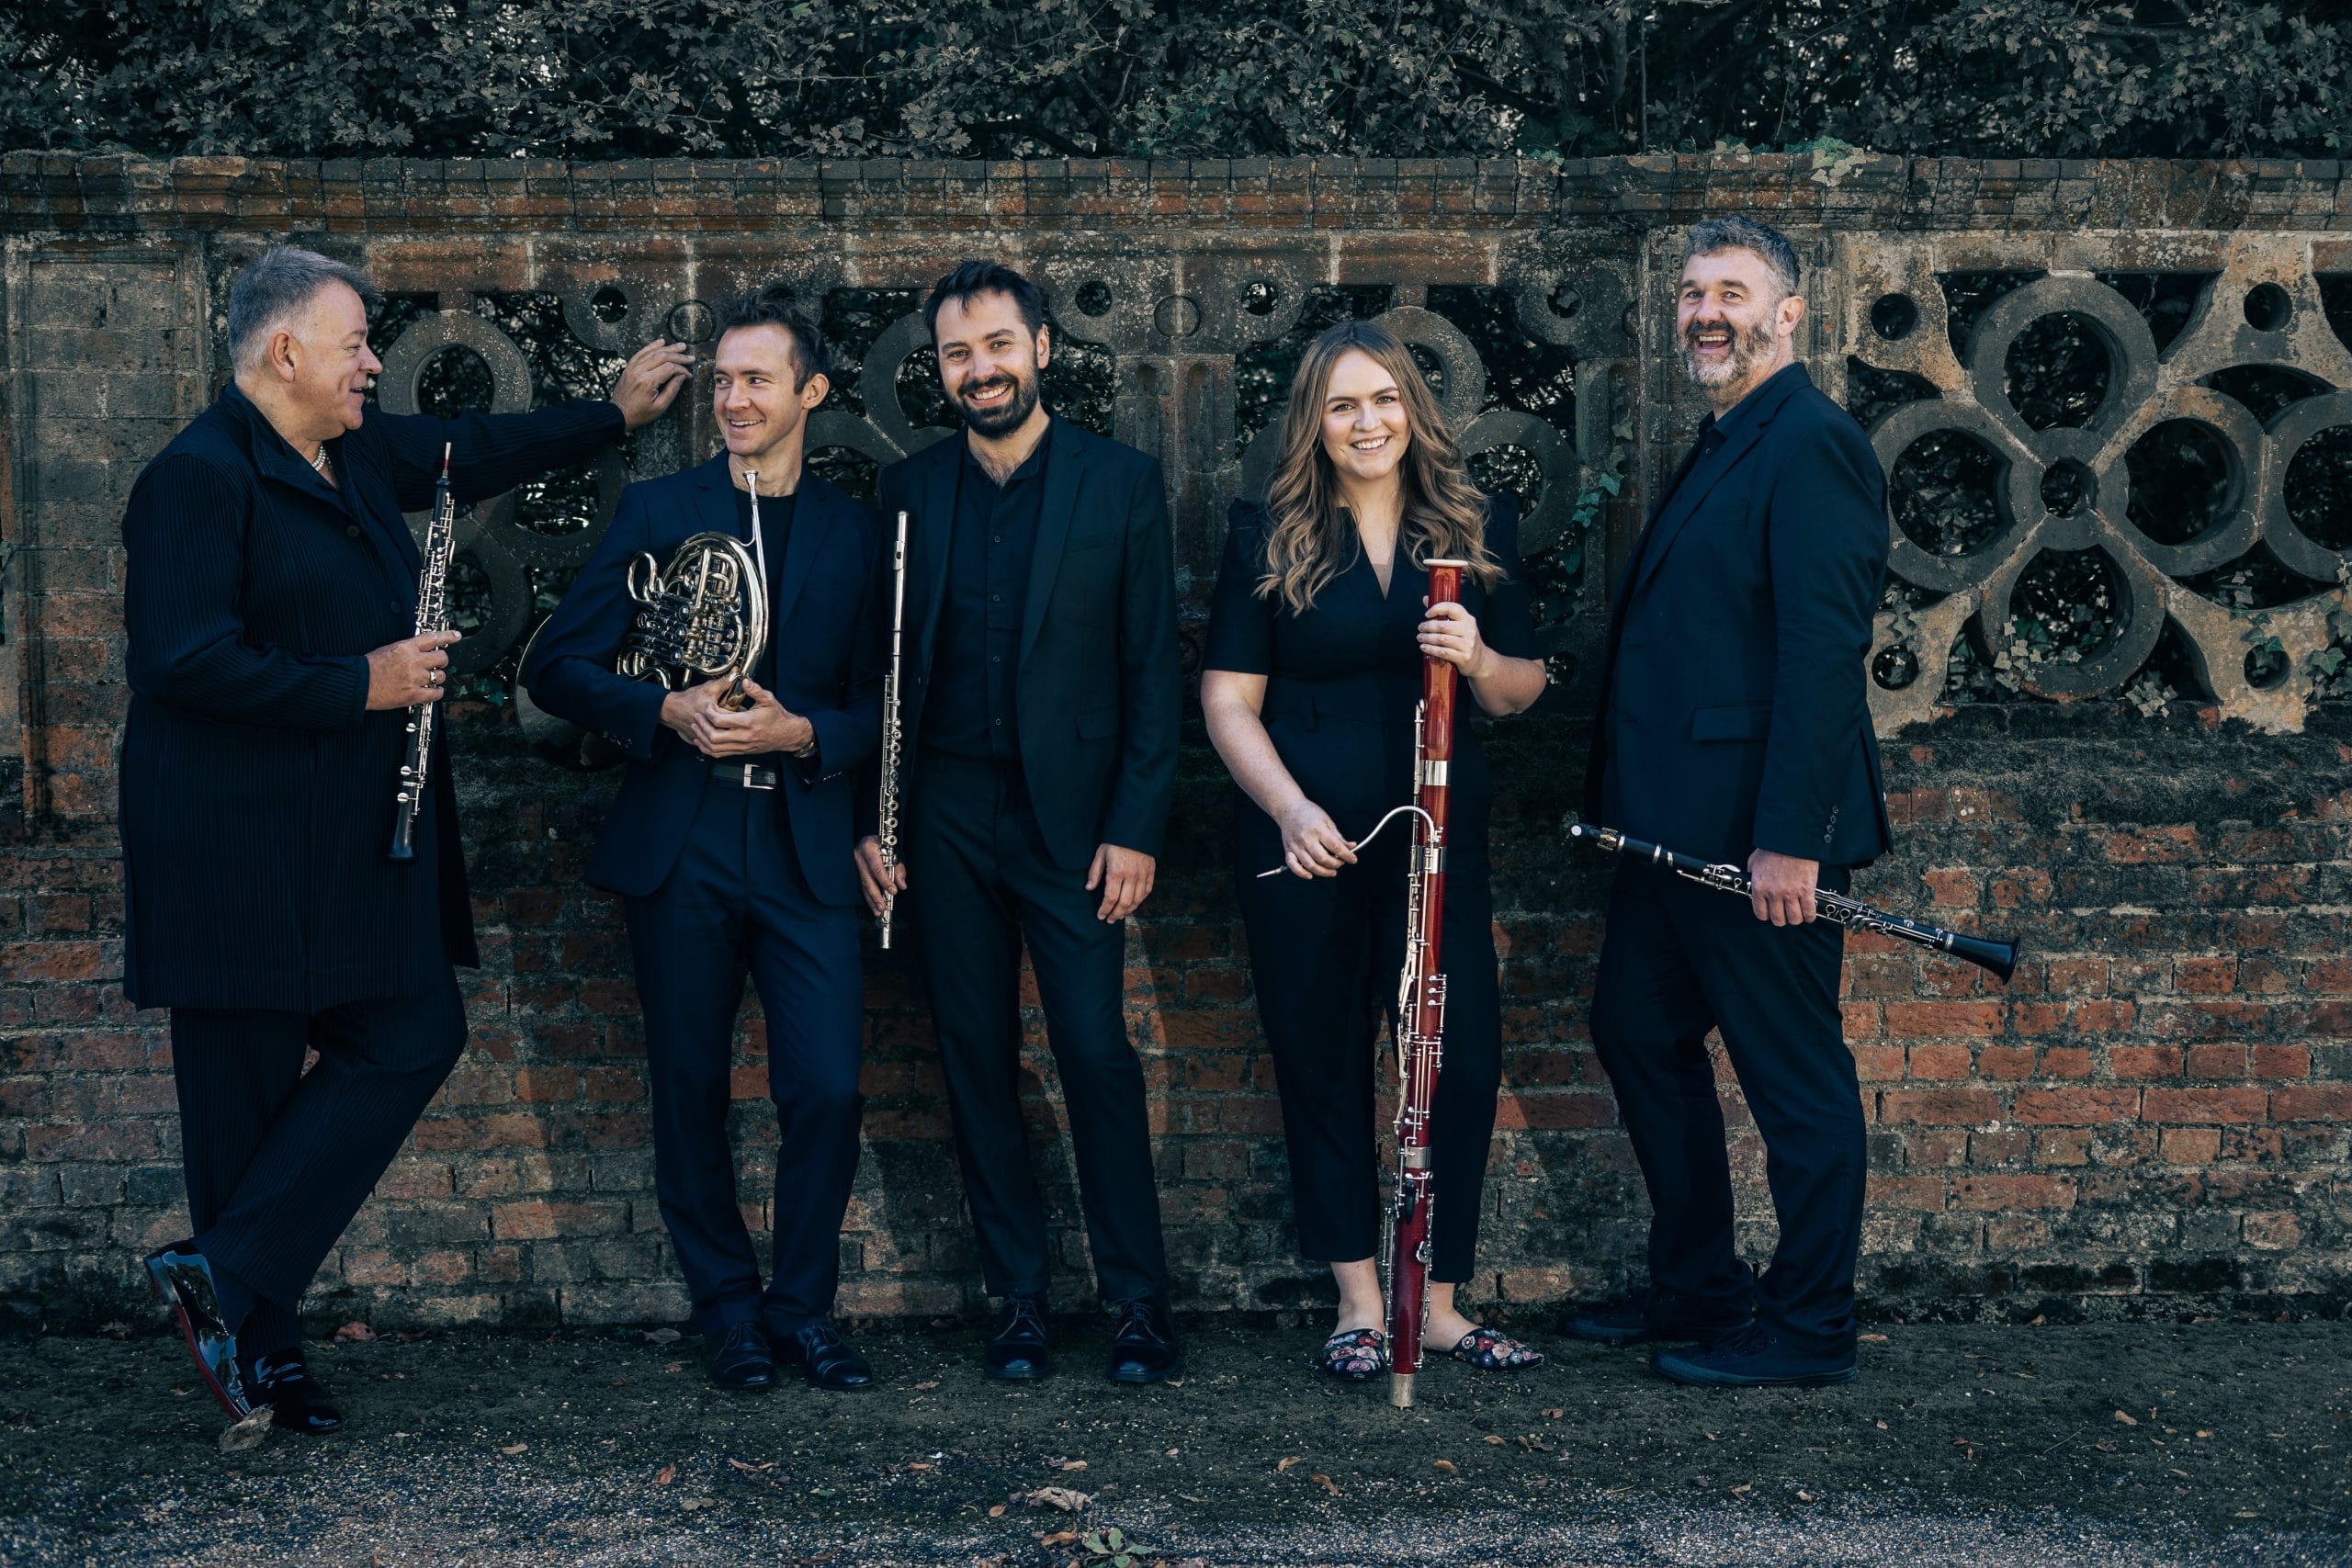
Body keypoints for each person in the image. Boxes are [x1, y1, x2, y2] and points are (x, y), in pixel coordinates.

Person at [125, 245, 691, 1428]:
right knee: (238, 1113)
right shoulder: (198, 477)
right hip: (231, 855)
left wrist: (609, 412)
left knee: (415, 1027)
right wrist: (361, 684)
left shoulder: (344, 453)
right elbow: (178, 659)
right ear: (285, 353)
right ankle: (260, 1362)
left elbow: (467, 454)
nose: (375, 363)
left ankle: (222, 1278)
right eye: (356, 345)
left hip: (338, 854)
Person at [522, 291, 886, 1393]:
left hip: (803, 834)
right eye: (722, 380)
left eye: (756, 381)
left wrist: (808, 730)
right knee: (687, 1084)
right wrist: (663, 712)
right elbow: (554, 667)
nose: (732, 399)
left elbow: (894, 701)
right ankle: (726, 1308)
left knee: (826, 1087)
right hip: (680, 836)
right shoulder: (657, 507)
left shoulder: (860, 532)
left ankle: (802, 1308)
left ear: (810, 394)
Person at [1566, 214, 1894, 1388]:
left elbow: (1820, 655)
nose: (1707, 312)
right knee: (1636, 1032)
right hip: (1669, 834)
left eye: (1732, 292)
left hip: (1757, 838)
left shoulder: (1809, 440)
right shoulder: (1727, 439)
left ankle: (1808, 1330)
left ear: (1790, 312)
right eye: (1693, 293)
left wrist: (1788, 846)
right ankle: (1702, 1290)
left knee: (1795, 1081)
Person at [1200, 320, 1550, 1383]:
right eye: (1344, 404)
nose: (1367, 422)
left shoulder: (1475, 526)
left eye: (1385, 400)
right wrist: (1291, 813)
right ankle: (1359, 1302)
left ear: (1414, 411)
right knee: (1322, 1058)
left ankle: (1435, 1303)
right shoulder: (1268, 534)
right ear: (1315, 420)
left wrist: (1479, 653)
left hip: (1440, 839)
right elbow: (1225, 699)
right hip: (1307, 843)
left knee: (1458, 1059)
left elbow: (1523, 688)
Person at [852, 261, 1182, 1384]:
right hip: (941, 811)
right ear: (937, 369)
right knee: (974, 1057)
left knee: (1095, 1053)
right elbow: (880, 677)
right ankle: (1021, 1300)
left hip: (1076, 821)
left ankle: (1138, 1301)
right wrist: (877, 820)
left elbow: (1152, 670)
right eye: (956, 353)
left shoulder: (1121, 482)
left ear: (1041, 348)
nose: (979, 370)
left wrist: (1136, 825)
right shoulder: (908, 493)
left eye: (997, 345)